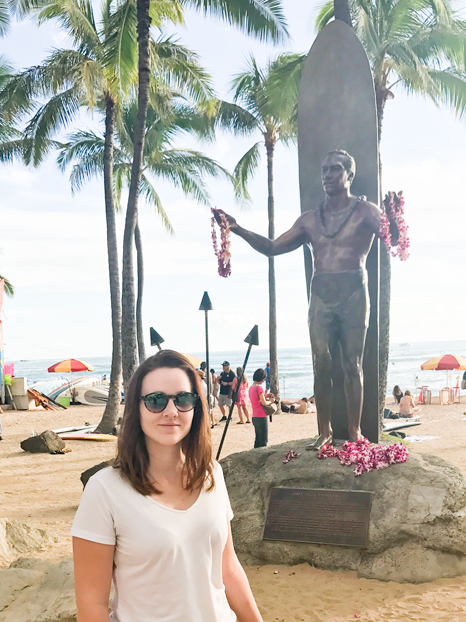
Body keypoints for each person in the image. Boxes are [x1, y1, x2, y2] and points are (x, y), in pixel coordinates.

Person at [71, 350, 264, 622]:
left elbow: (228, 568)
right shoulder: (104, 490)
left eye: (183, 399)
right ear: (136, 408)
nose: (171, 411)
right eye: (155, 400)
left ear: (195, 407)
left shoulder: (212, 474)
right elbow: (92, 606)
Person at [215, 150, 385, 450]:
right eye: (324, 170)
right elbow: (271, 247)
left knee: (351, 364)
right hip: (320, 295)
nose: (328, 175)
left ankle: (355, 431)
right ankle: (325, 431)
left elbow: (391, 238)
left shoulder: (365, 211)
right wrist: (237, 228)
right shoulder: (310, 220)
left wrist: (394, 220)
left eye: (334, 169)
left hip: (354, 293)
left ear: (349, 174)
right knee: (321, 363)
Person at [249, 368, 274, 448]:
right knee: (263, 439)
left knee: (258, 438)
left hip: (255, 416)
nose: (264, 381)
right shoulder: (259, 388)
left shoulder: (251, 388)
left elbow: (257, 400)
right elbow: (263, 403)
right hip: (261, 415)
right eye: (264, 379)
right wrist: (270, 401)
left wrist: (265, 396)